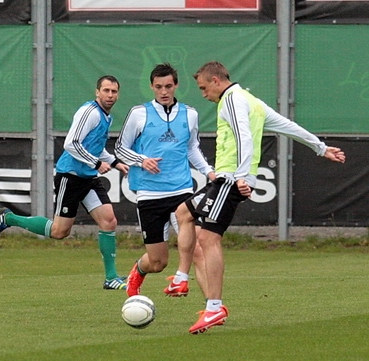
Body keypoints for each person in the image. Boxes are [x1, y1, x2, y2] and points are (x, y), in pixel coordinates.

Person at [174, 61, 346, 334]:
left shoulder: (231, 100)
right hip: (226, 178)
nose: (203, 94)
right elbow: (286, 125)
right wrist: (320, 147)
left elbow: (244, 138)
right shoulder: (250, 100)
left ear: (217, 81)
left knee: (208, 238)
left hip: (230, 179)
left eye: (204, 88)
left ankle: (214, 307)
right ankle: (181, 278)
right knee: (183, 212)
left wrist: (242, 176)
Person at [0, 75, 130, 290]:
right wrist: (95, 163)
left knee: (109, 221)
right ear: (97, 92)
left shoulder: (105, 117)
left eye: (114, 91)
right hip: (71, 176)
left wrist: (115, 162)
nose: (110, 95)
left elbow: (94, 146)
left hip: (88, 178)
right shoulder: (89, 112)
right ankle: (10, 218)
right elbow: (70, 143)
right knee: (59, 232)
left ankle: (111, 277)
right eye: (106, 90)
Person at [114, 63, 215, 299]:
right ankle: (138, 272)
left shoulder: (190, 114)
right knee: (158, 262)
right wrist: (142, 160)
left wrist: (208, 172)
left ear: (176, 85)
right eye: (159, 87)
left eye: (168, 86)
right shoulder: (139, 113)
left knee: (198, 250)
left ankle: (213, 307)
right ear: (152, 87)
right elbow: (120, 148)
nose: (164, 91)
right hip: (149, 194)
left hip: (181, 191)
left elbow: (192, 149)